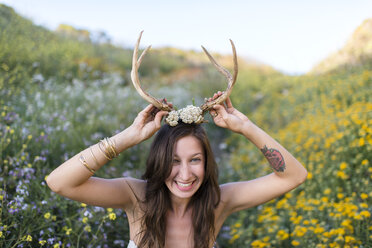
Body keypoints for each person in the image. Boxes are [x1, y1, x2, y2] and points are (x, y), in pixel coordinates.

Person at [46, 91, 308, 248]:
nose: (185, 174)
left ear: (207, 162)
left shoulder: (219, 202)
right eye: (173, 161)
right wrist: (129, 136)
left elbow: (294, 176)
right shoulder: (136, 197)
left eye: (195, 160)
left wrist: (245, 127)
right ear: (160, 162)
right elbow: (59, 182)